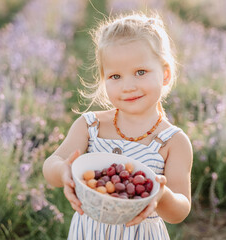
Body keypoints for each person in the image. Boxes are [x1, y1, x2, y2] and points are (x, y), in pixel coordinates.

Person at [43, 12, 193, 239]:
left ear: (165, 74)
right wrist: (63, 171)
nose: (128, 86)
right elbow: (51, 164)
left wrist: (161, 195)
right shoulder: (90, 125)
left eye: (140, 72)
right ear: (103, 80)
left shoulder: (173, 141)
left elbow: (180, 210)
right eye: (115, 76)